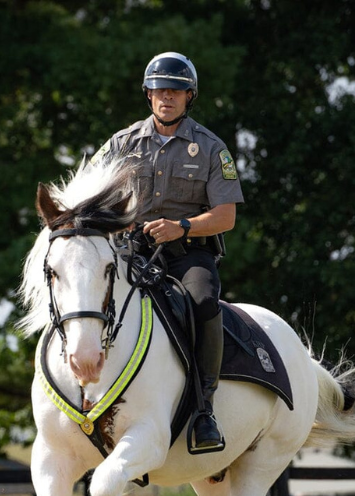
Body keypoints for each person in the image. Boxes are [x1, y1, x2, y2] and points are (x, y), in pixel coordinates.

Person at [91, 52, 243, 452]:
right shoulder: (120, 144)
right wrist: (119, 223)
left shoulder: (212, 148)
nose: (167, 97)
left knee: (204, 301)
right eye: (160, 90)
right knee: (87, 297)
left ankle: (204, 409)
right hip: (131, 251)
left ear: (189, 96)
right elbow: (92, 198)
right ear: (148, 94)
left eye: (176, 90)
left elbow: (226, 216)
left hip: (188, 252)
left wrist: (183, 226)